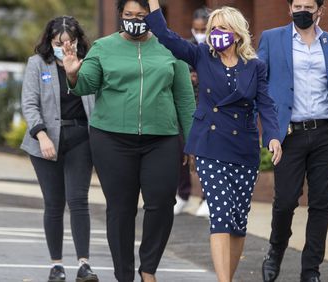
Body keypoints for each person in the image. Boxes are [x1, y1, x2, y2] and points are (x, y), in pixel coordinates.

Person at [145, 2, 282, 281]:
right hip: (210, 145)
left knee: (237, 222)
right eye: (213, 28)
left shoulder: (255, 66)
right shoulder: (201, 56)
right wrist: (153, 4)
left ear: (237, 32)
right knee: (219, 215)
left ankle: (227, 277)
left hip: (243, 149)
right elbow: (165, 35)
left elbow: (266, 105)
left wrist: (273, 138)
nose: (216, 32)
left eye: (222, 28)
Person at [63, 0, 196, 280]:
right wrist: (74, 73)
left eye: (141, 15)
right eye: (129, 14)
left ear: (153, 17)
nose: (134, 19)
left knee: (161, 204)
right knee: (121, 210)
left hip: (162, 138)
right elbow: (87, 84)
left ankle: (148, 270)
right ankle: (124, 275)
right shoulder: (103, 47)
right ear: (120, 15)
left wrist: (192, 141)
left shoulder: (171, 47)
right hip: (111, 139)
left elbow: (184, 98)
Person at [257, 0, 328, 281]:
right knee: (285, 201)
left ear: (320, 10)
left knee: (320, 204)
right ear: (289, 9)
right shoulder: (271, 38)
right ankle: (275, 251)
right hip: (289, 135)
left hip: (324, 134)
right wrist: (270, 132)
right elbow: (260, 86)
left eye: (308, 5)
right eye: (297, 5)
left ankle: (311, 270)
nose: (302, 10)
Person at [20, 16, 99, 282]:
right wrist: (41, 135)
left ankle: (84, 264)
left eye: (71, 41)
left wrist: (74, 69)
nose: (65, 47)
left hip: (80, 137)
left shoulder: (88, 62)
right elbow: (29, 104)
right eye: (59, 42)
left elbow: (98, 101)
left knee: (78, 201)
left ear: (78, 41)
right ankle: (56, 265)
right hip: (46, 139)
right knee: (54, 203)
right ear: (49, 41)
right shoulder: (36, 64)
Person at [174, 7, 211, 217]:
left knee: (206, 154)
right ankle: (183, 195)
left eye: (203, 29)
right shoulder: (186, 48)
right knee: (182, 153)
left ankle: (207, 198)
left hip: (208, 108)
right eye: (196, 29)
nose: (200, 33)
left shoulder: (217, 49)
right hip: (187, 108)